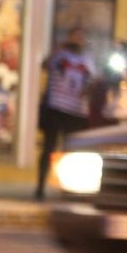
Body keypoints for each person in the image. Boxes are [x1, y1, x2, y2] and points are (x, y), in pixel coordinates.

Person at [35, 27, 93, 200]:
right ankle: (40, 186)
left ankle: (67, 189)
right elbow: (45, 65)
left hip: (75, 112)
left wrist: (87, 92)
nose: (78, 39)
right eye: (75, 36)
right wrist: (58, 49)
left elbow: (92, 81)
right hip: (56, 108)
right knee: (48, 148)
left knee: (70, 152)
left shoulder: (87, 59)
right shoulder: (60, 55)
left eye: (81, 37)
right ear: (69, 37)